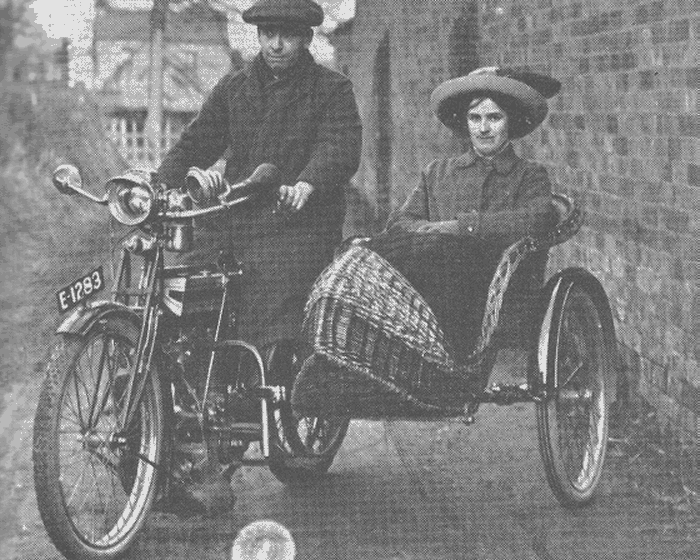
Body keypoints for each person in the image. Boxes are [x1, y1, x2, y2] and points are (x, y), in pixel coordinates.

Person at [155, 0, 362, 513]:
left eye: (286, 35)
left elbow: (341, 147)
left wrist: (309, 183)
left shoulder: (331, 89)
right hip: (240, 217)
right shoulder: (234, 88)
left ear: (307, 37)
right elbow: (197, 141)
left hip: (301, 223)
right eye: (267, 33)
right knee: (186, 295)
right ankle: (191, 419)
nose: (275, 45)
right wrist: (158, 185)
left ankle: (246, 417)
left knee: (270, 302)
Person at [372, 66, 561, 360]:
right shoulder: (438, 172)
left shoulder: (529, 176)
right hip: (428, 283)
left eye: (494, 118)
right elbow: (400, 221)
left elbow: (537, 218)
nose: (483, 129)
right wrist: (428, 231)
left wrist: (463, 228)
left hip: (494, 292)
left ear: (510, 122)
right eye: (475, 118)